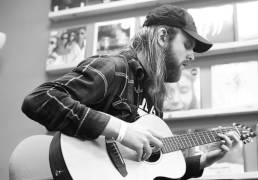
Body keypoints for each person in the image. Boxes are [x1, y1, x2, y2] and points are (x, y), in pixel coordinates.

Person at [21, 4, 241, 180]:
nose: (192, 55)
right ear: (163, 37)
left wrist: (201, 161)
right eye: (187, 44)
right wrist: (121, 131)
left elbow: (145, 168)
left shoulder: (154, 97)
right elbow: (40, 99)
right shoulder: (114, 69)